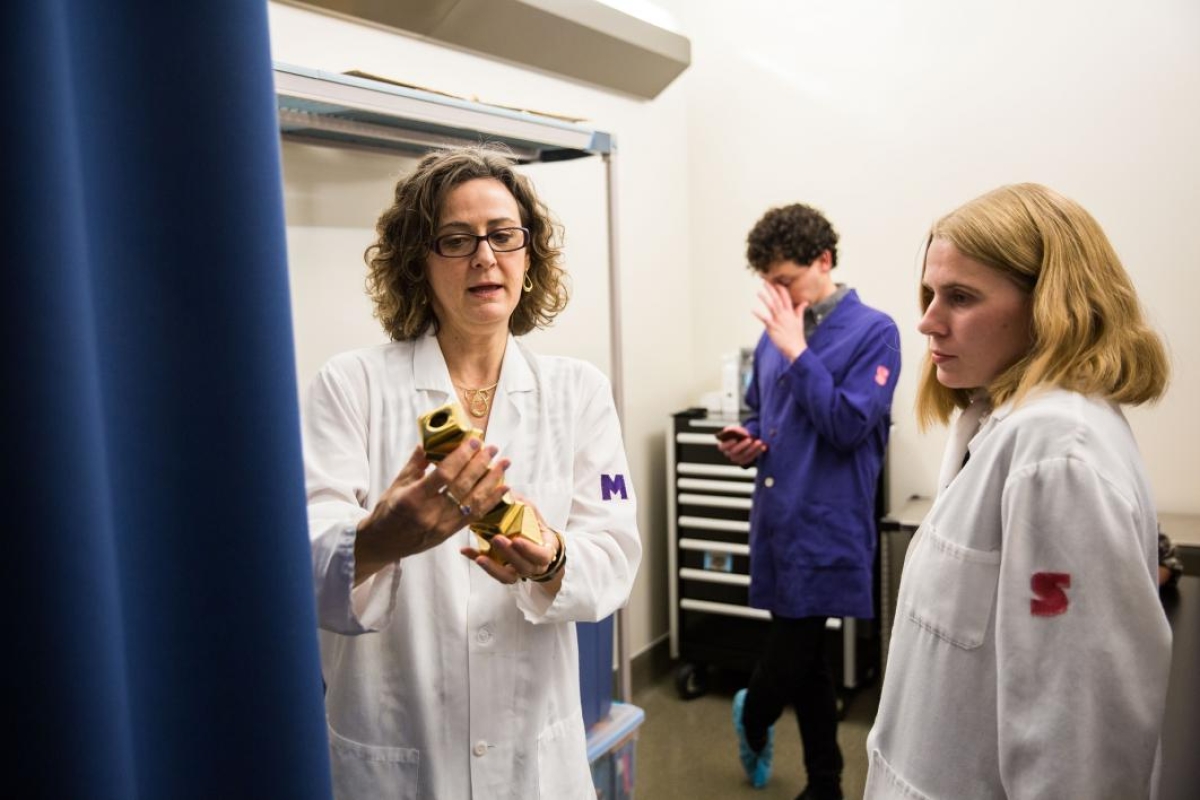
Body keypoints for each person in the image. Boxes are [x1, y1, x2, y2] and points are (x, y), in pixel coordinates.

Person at [302, 146, 641, 799]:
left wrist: (551, 559)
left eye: (503, 235)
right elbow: (303, 561)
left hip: (533, 761)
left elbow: (615, 557)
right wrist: (379, 539)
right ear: (418, 263)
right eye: (456, 240)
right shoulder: (351, 385)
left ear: (529, 255)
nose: (485, 256)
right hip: (396, 753)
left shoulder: (579, 391)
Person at [865, 183, 1172, 798]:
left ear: (1052, 306)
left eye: (960, 297)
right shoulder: (995, 422)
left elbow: (1077, 746)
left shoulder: (1058, 453)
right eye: (930, 294)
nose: (926, 320)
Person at [717, 203, 901, 800]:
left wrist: (798, 352)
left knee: (793, 652)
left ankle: (753, 713)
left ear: (824, 261)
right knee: (810, 655)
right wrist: (747, 439)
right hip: (778, 517)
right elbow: (760, 410)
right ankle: (826, 783)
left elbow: (848, 426)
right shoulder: (775, 332)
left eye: (786, 280)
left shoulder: (875, 332)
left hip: (828, 521)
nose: (778, 295)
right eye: (768, 283)